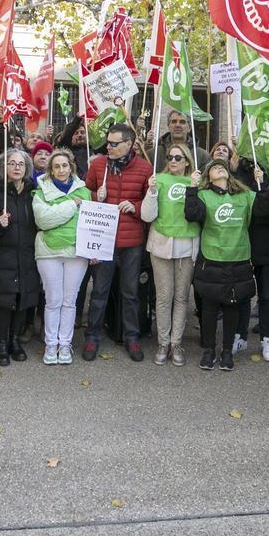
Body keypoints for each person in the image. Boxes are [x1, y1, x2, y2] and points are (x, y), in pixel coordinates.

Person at [185, 158, 267, 370]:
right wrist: (192, 188)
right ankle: (209, 350)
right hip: (211, 258)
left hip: (238, 258)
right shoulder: (204, 195)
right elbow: (192, 215)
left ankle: (227, 350)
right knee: (210, 307)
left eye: (221, 166)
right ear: (208, 177)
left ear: (229, 174)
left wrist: (262, 184)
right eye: (212, 167)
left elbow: (262, 211)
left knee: (232, 306)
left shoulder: (245, 195)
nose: (218, 167)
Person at [82, 123, 151, 361]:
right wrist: (94, 196)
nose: (108, 147)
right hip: (104, 238)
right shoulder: (98, 164)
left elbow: (152, 204)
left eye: (114, 143)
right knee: (99, 290)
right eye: (108, 142)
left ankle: (132, 337)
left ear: (129, 144)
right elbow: (83, 193)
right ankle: (92, 337)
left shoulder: (144, 168)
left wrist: (136, 207)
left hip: (131, 240)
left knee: (130, 292)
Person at [0, 151, 41, 366]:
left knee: (22, 301)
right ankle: (2, 344)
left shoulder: (34, 194)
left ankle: (15, 340)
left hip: (26, 257)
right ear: (3, 167)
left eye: (21, 164)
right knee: (4, 303)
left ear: (27, 169)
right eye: (12, 163)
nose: (16, 167)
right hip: (1, 259)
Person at [33, 149, 91, 365]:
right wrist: (71, 205)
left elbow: (91, 224)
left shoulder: (85, 192)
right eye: (56, 166)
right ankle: (51, 345)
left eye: (64, 166)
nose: (61, 170)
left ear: (71, 167)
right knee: (53, 301)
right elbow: (44, 221)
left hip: (77, 252)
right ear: (50, 169)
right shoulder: (41, 191)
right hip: (49, 252)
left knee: (69, 301)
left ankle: (65, 345)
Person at [143, 145, 200, 366]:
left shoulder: (196, 181)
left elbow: (198, 214)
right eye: (170, 157)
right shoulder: (158, 179)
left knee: (182, 297)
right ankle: (163, 342)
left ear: (187, 161)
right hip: (161, 244)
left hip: (187, 244)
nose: (173, 160)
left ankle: (177, 342)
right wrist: (152, 192)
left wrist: (196, 187)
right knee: (164, 296)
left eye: (179, 157)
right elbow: (147, 216)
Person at [231, 152, 269, 362]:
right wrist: (234, 169)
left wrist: (267, 183)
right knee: (243, 292)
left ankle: (268, 338)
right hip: (244, 240)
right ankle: (240, 335)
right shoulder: (240, 169)